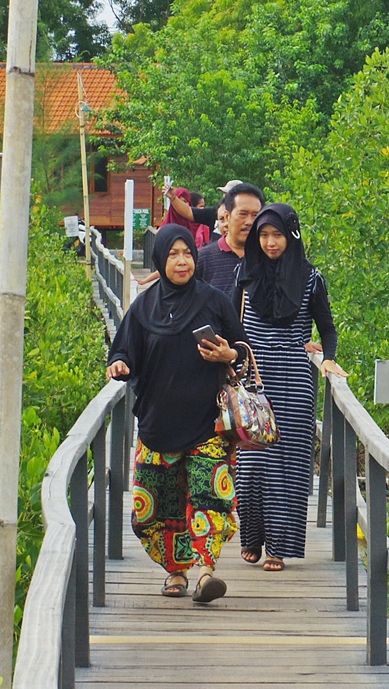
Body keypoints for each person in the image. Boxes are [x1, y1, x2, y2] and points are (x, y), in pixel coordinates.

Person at [106, 224, 248, 603]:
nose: (182, 261)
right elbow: (123, 350)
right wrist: (119, 364)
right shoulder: (144, 307)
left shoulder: (215, 301)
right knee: (156, 507)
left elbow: (242, 350)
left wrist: (228, 356)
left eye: (188, 253)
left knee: (209, 498)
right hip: (157, 423)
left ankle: (205, 574)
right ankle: (176, 571)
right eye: (173, 254)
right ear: (160, 259)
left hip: (207, 422)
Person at [234, 203, 347, 572]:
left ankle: (279, 548)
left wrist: (327, 357)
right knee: (251, 462)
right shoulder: (244, 273)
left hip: (295, 378)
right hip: (254, 375)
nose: (270, 242)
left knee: (288, 464)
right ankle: (251, 538)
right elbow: (232, 326)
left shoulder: (311, 278)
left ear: (291, 235)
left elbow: (327, 328)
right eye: (264, 235)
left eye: (277, 235)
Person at [197, 182, 264, 298]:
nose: (249, 221)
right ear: (227, 217)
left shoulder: (266, 256)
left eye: (255, 215)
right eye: (243, 214)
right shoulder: (203, 259)